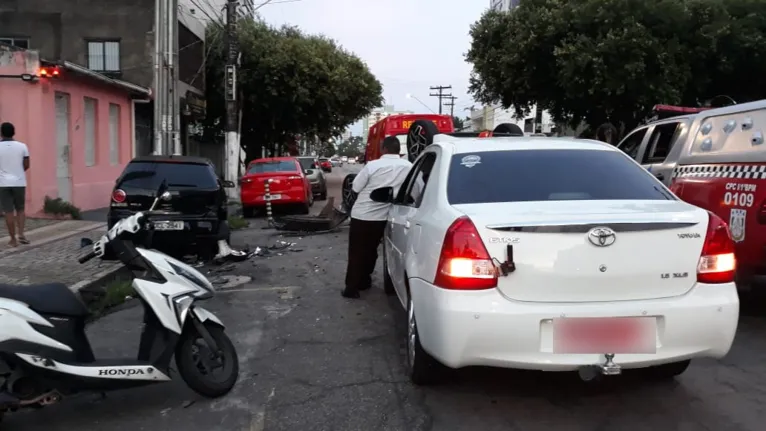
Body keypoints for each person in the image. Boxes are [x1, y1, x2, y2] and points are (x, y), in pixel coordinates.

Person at [342, 136, 414, 299]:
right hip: (386, 216)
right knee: (372, 250)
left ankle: (352, 288)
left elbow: (356, 186)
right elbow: (416, 190)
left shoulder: (372, 166)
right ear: (399, 150)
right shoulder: (409, 167)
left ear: (384, 149)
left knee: (357, 251)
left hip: (362, 215)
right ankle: (365, 280)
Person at [0, 122, 30, 247]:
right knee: (20, 209)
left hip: (3, 183)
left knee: (8, 211)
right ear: (14, 132)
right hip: (19, 182)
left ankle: (13, 239)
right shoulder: (22, 146)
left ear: (1, 133)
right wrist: (17, 172)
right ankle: (21, 234)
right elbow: (27, 164)